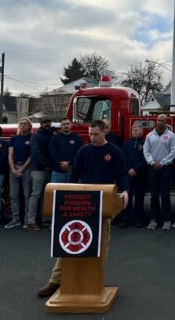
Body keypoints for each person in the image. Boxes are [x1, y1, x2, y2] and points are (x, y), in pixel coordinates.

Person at [37, 120, 129, 298]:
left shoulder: (114, 151)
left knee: (102, 242)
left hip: (104, 202)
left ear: (104, 133)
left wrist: (125, 191)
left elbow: (122, 174)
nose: (92, 137)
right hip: (82, 203)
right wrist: (68, 192)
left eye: (96, 134)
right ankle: (55, 280)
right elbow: (75, 174)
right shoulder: (84, 150)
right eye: (90, 134)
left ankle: (93, 278)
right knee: (70, 241)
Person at [143, 114, 175, 231]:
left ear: (166, 122)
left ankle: (167, 220)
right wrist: (152, 162)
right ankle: (154, 220)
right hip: (152, 168)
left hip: (165, 168)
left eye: (162, 120)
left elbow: (173, 152)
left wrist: (162, 163)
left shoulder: (171, 135)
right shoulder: (149, 135)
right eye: (158, 120)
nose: (160, 122)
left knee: (165, 194)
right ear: (156, 121)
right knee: (153, 195)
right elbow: (146, 151)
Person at [26, 117, 54, 231]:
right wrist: (47, 163)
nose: (47, 124)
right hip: (38, 168)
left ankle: (44, 219)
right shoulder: (36, 136)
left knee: (46, 195)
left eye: (49, 122)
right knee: (35, 194)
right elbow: (36, 152)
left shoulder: (53, 134)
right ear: (41, 124)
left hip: (50, 168)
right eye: (45, 122)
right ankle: (31, 221)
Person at [5, 117, 33, 229]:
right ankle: (15, 219)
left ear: (29, 126)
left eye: (25, 123)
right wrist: (13, 169)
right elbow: (10, 155)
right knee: (13, 195)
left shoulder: (32, 138)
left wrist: (21, 169)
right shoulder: (14, 138)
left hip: (26, 168)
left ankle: (27, 219)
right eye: (21, 123)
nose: (23, 125)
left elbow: (32, 156)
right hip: (14, 168)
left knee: (27, 195)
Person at [120, 122, 147, 228]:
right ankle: (126, 219)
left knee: (139, 198)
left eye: (137, 130)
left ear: (142, 131)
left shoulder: (145, 143)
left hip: (140, 175)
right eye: (133, 130)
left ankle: (139, 220)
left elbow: (145, 158)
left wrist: (136, 169)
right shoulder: (127, 143)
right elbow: (122, 158)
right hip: (128, 175)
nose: (134, 132)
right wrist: (128, 169)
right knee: (127, 198)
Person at [49, 117, 83, 183]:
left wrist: (69, 163)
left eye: (67, 124)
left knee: (72, 193)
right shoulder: (55, 138)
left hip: (73, 172)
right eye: (64, 124)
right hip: (58, 172)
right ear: (61, 126)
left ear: (71, 125)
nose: (66, 126)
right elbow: (53, 153)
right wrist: (63, 164)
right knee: (57, 192)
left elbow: (79, 153)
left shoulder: (77, 138)